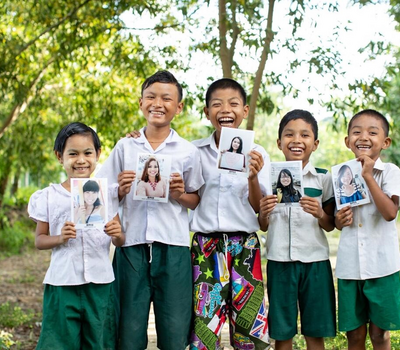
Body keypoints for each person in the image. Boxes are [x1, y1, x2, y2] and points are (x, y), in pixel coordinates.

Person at [97, 70, 204, 350]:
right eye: (151, 97)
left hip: (174, 248)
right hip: (131, 246)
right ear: (141, 102)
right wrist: (119, 189)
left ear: (178, 107)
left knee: (174, 330)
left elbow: (195, 200)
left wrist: (180, 194)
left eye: (167, 98)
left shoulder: (187, 151)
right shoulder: (125, 147)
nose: (158, 103)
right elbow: (104, 194)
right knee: (128, 331)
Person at [27, 122, 125, 350]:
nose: (81, 160)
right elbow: (40, 240)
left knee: (98, 342)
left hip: (100, 284)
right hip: (62, 283)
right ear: (59, 156)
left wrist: (117, 234)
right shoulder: (49, 196)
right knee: (59, 342)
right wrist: (60, 237)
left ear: (98, 154)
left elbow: (120, 240)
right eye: (73, 154)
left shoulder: (107, 194)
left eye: (87, 153)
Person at [189, 78, 270, 349]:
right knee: (205, 328)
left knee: (248, 331)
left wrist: (253, 177)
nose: (226, 109)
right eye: (217, 104)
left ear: (245, 111)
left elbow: (259, 208)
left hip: (245, 247)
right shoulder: (195, 152)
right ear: (206, 112)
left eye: (234, 104)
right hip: (206, 247)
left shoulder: (258, 154)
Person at [259, 110, 336, 350]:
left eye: (305, 135)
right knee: (282, 333)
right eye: (289, 134)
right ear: (279, 142)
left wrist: (320, 213)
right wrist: (263, 211)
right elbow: (262, 225)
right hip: (279, 261)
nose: (297, 140)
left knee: (315, 332)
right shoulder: (268, 180)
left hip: (315, 262)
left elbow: (330, 224)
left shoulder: (323, 179)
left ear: (315, 143)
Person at [334, 109, 400, 350]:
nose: (364, 137)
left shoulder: (391, 172)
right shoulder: (340, 174)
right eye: (357, 132)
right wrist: (340, 219)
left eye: (373, 132)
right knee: (354, 336)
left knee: (380, 334)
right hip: (350, 268)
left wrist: (368, 176)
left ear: (385, 142)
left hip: (383, 266)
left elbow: (390, 213)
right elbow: (336, 222)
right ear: (347, 141)